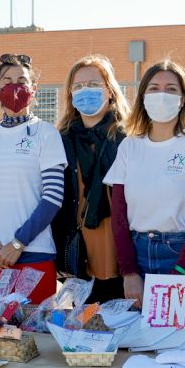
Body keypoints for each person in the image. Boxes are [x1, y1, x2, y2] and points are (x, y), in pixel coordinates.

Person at [104, 60, 185, 300]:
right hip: (137, 256)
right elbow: (118, 215)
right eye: (154, 88)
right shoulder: (129, 146)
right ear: (143, 97)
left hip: (182, 256)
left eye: (171, 89)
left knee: (183, 325)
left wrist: (180, 270)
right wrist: (128, 271)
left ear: (184, 99)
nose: (162, 95)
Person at [0, 54, 66, 303]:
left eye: (22, 81)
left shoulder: (46, 133)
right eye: (7, 81)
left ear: (34, 88)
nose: (15, 87)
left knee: (36, 327)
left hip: (34, 254)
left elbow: (53, 196)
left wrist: (19, 243)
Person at [53, 55, 130, 303]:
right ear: (70, 95)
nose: (86, 91)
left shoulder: (129, 138)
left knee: (123, 321)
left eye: (94, 84)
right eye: (78, 86)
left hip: (122, 251)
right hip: (79, 252)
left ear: (110, 90)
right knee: (86, 320)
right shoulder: (61, 140)